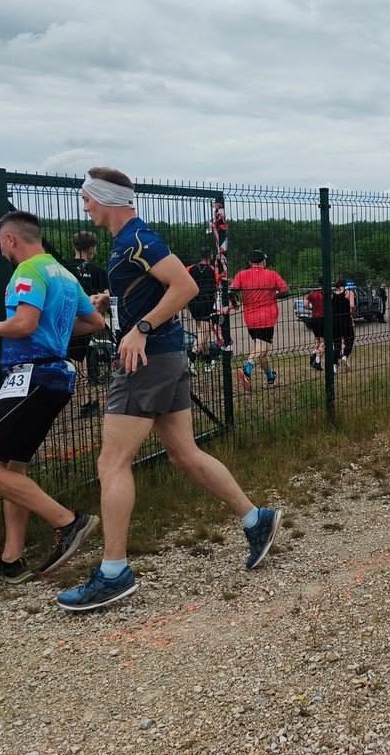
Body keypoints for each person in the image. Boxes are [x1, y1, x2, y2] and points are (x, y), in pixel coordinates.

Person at [58, 168, 281, 611]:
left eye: (87, 198)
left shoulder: (141, 239)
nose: (84, 206)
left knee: (112, 462)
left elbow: (186, 286)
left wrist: (140, 327)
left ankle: (113, 572)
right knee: (183, 453)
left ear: (106, 198)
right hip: (163, 359)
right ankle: (257, 519)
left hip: (145, 362)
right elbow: (155, 289)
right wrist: (114, 302)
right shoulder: (127, 245)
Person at [0, 211, 105, 584]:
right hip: (54, 378)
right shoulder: (64, 273)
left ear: (12, 239)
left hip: (32, 375)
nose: (1, 253)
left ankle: (68, 522)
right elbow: (96, 323)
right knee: (12, 468)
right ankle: (11, 560)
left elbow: (24, 325)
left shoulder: (28, 271)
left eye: (0, 245)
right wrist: (56, 327)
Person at [230, 250, 289, 392]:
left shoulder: (241, 275)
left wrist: (235, 303)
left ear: (250, 262)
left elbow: (231, 291)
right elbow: (286, 291)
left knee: (260, 350)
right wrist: (274, 295)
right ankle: (246, 370)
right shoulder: (272, 274)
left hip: (250, 318)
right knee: (262, 349)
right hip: (267, 317)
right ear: (264, 261)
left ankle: (270, 377)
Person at [66, 231, 111, 415]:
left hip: (64, 319)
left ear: (74, 246)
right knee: (80, 361)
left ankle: (83, 400)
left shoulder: (63, 268)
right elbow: (109, 296)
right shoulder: (99, 272)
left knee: (74, 358)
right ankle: (85, 403)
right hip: (87, 321)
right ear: (92, 248)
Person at [186, 247, 220, 371]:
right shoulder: (213, 269)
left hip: (193, 303)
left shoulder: (190, 268)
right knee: (204, 332)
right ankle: (191, 359)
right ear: (210, 256)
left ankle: (208, 361)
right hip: (207, 303)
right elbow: (217, 285)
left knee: (204, 333)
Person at [331, 278, 355, 371]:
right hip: (346, 320)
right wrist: (352, 313)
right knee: (349, 339)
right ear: (344, 285)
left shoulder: (332, 294)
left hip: (335, 321)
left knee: (337, 344)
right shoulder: (348, 293)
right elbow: (352, 305)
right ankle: (345, 356)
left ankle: (334, 366)